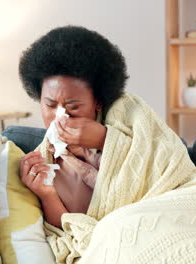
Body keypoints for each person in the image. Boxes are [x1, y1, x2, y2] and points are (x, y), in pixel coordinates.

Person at [18, 25, 128, 228]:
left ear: (98, 102)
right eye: (50, 105)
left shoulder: (127, 125)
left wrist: (105, 139)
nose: (61, 115)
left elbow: (157, 159)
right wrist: (47, 194)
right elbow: (67, 232)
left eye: (74, 106)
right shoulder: (44, 163)